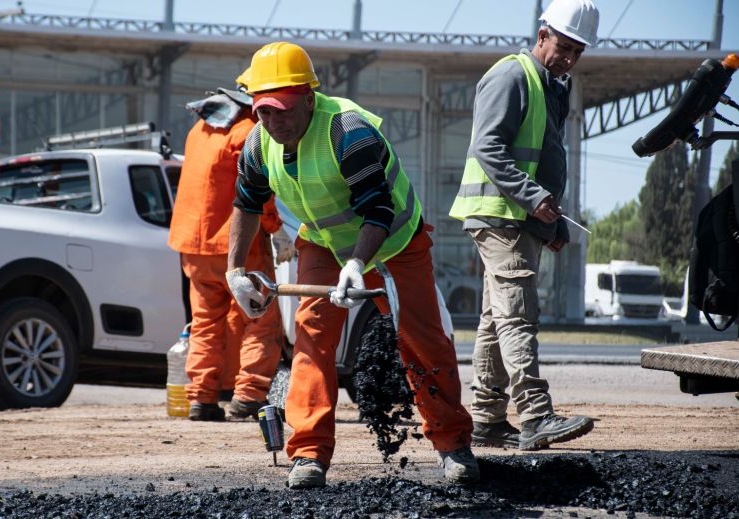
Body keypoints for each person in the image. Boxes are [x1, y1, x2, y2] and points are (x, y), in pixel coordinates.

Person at [226, 41, 478, 489]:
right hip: (323, 243)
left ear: (309, 98)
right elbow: (246, 204)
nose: (272, 121)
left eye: (281, 110)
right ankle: (308, 454)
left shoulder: (348, 132)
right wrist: (234, 271)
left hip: (395, 241)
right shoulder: (257, 142)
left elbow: (378, 209)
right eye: (262, 111)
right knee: (312, 338)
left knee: (422, 339)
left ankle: (453, 444)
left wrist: (358, 263)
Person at [449, 0, 600, 451]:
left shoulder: (552, 85)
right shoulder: (511, 76)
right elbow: (489, 148)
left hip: (521, 218)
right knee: (518, 313)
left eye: (578, 52)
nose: (569, 58)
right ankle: (535, 415)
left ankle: (488, 419)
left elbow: (545, 156)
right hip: (501, 216)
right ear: (542, 35)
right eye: (564, 47)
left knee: (497, 320)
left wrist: (552, 223)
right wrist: (536, 200)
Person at [168, 72, 296, 422]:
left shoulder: (199, 131)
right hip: (236, 248)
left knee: (205, 322)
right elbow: (256, 193)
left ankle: (201, 400)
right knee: (261, 320)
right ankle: (249, 397)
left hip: (193, 246)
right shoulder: (247, 134)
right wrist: (278, 231)